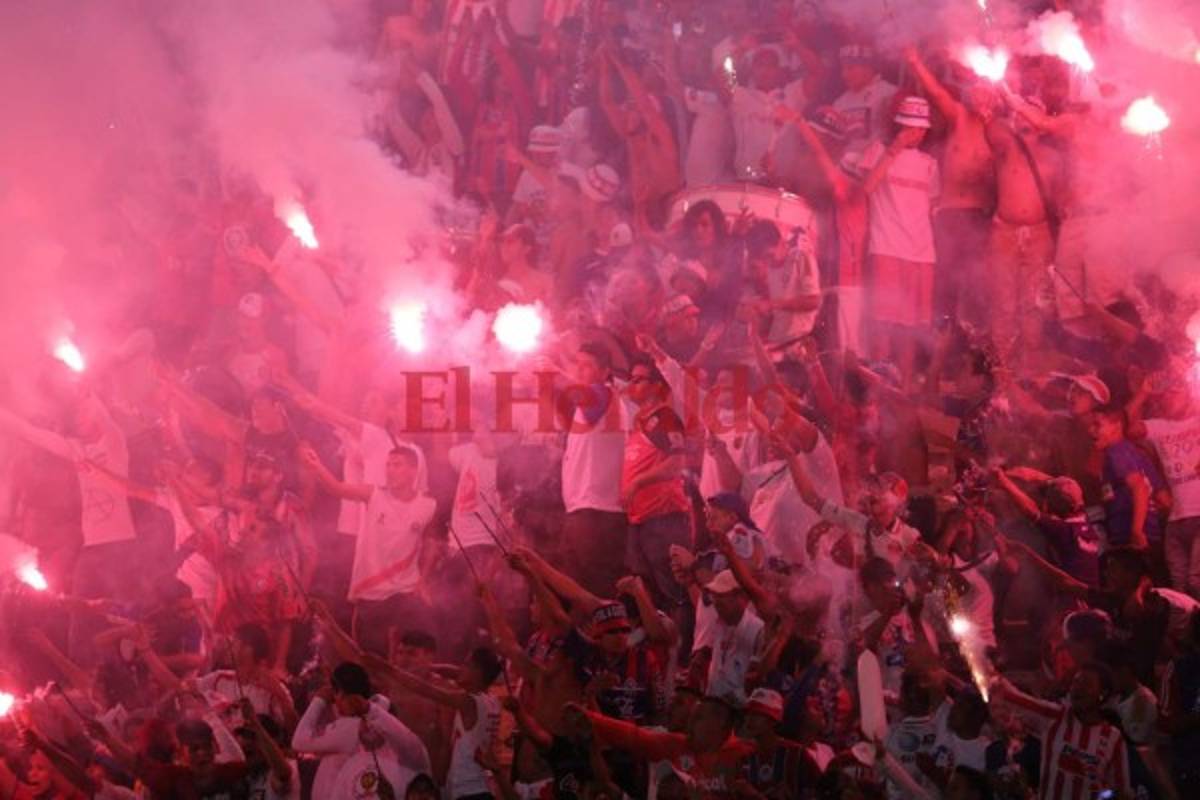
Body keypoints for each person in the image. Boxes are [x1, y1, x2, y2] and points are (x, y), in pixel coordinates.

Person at [300, 443, 438, 656]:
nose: (390, 470)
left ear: (413, 471)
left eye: (397, 465)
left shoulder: (428, 506)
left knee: (408, 656)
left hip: (405, 591)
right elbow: (336, 488)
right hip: (370, 593)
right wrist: (316, 465)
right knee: (371, 659)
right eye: (388, 465)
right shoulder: (374, 495)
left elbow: (431, 542)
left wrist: (424, 580)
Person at [903, 46, 997, 326]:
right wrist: (916, 61)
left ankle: (972, 350)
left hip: (979, 216)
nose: (979, 94)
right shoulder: (959, 117)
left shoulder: (1000, 132)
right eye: (976, 89)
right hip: (950, 213)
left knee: (976, 285)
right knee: (945, 284)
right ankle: (940, 345)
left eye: (985, 90)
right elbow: (936, 93)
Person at [859, 96, 940, 389]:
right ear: (900, 125)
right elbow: (866, 189)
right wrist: (893, 150)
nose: (918, 134)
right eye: (912, 127)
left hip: (921, 253)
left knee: (910, 328)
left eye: (921, 129)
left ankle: (904, 387)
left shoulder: (929, 164)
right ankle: (880, 386)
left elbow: (933, 209)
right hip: (886, 248)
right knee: (883, 322)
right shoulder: (877, 152)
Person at [991, 663, 1133, 800]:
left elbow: (1121, 792)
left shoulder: (1113, 738)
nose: (1077, 688)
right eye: (1075, 682)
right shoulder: (1055, 717)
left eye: (1086, 684)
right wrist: (990, 676)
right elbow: (1014, 699)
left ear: (1102, 693)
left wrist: (1098, 795)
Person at [292, 662, 431, 800]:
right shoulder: (355, 762)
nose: (368, 729)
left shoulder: (350, 727)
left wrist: (319, 701)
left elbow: (298, 741)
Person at [386, 647, 504, 800]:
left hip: (469, 792)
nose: (460, 669)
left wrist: (389, 670)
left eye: (466, 665)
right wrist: (427, 668)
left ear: (477, 670)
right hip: (479, 787)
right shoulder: (493, 702)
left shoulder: (468, 702)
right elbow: (455, 672)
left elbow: (424, 689)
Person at [622, 357, 691, 611]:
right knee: (650, 597)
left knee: (675, 594)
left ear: (656, 386)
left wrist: (639, 481)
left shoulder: (664, 419)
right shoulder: (639, 423)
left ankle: (683, 648)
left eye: (639, 380)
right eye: (630, 380)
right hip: (640, 520)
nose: (632, 385)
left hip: (664, 519)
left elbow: (678, 462)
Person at [832, 44, 896, 154]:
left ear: (868, 67)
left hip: (878, 163)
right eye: (843, 69)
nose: (844, 74)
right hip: (844, 165)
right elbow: (835, 141)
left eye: (850, 68)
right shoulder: (840, 102)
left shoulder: (890, 93)